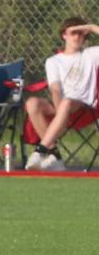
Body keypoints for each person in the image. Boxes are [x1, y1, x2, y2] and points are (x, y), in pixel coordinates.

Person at [25, 17, 99, 171]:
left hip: (83, 106)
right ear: (64, 35)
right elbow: (55, 89)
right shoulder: (53, 61)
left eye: (81, 33)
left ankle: (41, 150)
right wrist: (60, 111)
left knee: (67, 102)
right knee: (32, 103)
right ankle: (55, 155)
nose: (77, 37)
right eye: (73, 32)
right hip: (61, 105)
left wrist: (92, 27)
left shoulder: (91, 55)